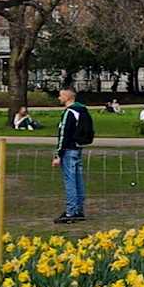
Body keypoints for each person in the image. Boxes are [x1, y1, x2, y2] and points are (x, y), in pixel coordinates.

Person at [52, 88, 91, 224]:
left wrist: (58, 154)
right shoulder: (82, 110)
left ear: (68, 97)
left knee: (70, 181)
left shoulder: (69, 112)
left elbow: (64, 134)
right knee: (78, 179)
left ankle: (71, 211)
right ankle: (79, 209)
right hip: (78, 148)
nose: (59, 97)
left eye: (61, 95)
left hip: (68, 150)